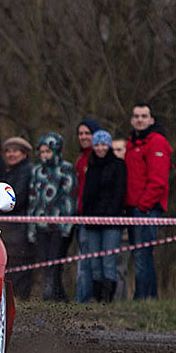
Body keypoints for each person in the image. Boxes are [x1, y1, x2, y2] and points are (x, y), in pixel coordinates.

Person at [124, 103, 173, 299]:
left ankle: (144, 298)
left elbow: (158, 181)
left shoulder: (157, 142)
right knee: (139, 255)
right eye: (136, 116)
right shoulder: (132, 144)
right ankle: (145, 297)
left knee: (144, 255)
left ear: (151, 120)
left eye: (144, 116)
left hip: (146, 209)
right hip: (132, 208)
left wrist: (143, 205)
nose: (139, 119)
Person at [28, 132, 77, 302]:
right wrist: (31, 226)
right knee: (45, 264)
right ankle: (59, 298)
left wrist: (67, 226)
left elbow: (70, 199)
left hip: (59, 227)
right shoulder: (37, 171)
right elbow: (33, 199)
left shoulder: (66, 169)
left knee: (55, 265)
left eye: (48, 152)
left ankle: (49, 298)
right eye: (42, 152)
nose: (45, 156)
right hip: (40, 226)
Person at [80, 130, 127, 302]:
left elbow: (119, 192)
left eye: (103, 144)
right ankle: (98, 298)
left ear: (109, 145)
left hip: (111, 221)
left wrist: (110, 214)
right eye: (97, 144)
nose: (100, 148)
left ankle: (108, 300)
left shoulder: (118, 165)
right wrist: (86, 216)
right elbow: (87, 193)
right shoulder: (91, 165)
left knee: (109, 261)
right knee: (94, 262)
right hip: (92, 222)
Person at [0, 137, 35, 299]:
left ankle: (19, 297)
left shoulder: (26, 171)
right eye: (8, 151)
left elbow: (17, 198)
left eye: (15, 151)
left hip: (19, 226)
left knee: (19, 263)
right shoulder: (10, 172)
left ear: (24, 153)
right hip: (11, 227)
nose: (10, 154)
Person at [73, 118, 100, 303]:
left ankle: (86, 298)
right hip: (80, 214)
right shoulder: (80, 159)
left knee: (91, 261)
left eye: (87, 133)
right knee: (83, 258)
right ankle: (82, 295)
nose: (83, 137)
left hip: (95, 216)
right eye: (81, 133)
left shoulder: (96, 158)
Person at [112, 137, 129, 300]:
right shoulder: (111, 169)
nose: (116, 153)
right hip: (109, 224)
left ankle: (120, 300)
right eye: (113, 150)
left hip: (126, 223)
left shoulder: (130, 169)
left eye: (119, 149)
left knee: (121, 267)